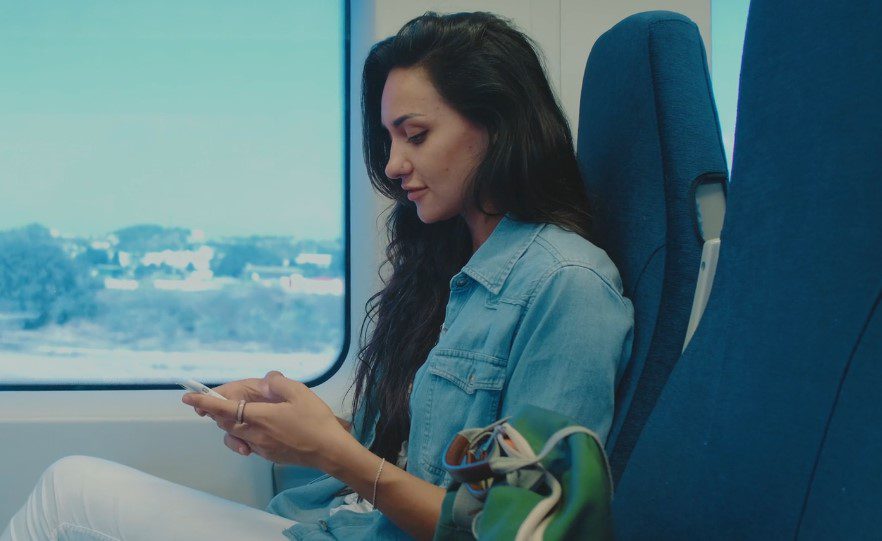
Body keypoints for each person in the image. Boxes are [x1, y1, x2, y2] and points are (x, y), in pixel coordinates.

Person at [1, 11, 633, 541]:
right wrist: (304, 429)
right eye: (388, 139)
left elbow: (515, 527)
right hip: (336, 526)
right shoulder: (453, 268)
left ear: (496, 127)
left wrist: (331, 453)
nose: (394, 165)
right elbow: (414, 458)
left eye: (414, 135)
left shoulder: (568, 289)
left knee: (68, 492)